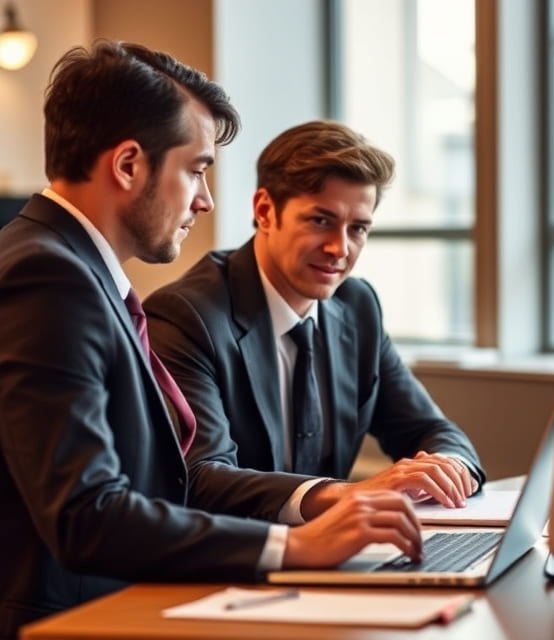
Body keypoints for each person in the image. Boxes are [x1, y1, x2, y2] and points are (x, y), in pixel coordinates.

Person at [0, 42, 424, 639]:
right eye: (196, 168)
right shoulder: (49, 276)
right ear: (128, 165)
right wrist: (295, 546)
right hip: (74, 621)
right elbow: (86, 514)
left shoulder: (72, 269)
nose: (205, 199)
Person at [144, 120, 486, 506]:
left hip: (337, 553)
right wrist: (350, 494)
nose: (339, 249)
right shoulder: (187, 317)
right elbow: (202, 477)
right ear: (265, 210)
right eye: (320, 221)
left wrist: (448, 465)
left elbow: (429, 428)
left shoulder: (357, 307)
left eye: (358, 228)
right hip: (239, 557)